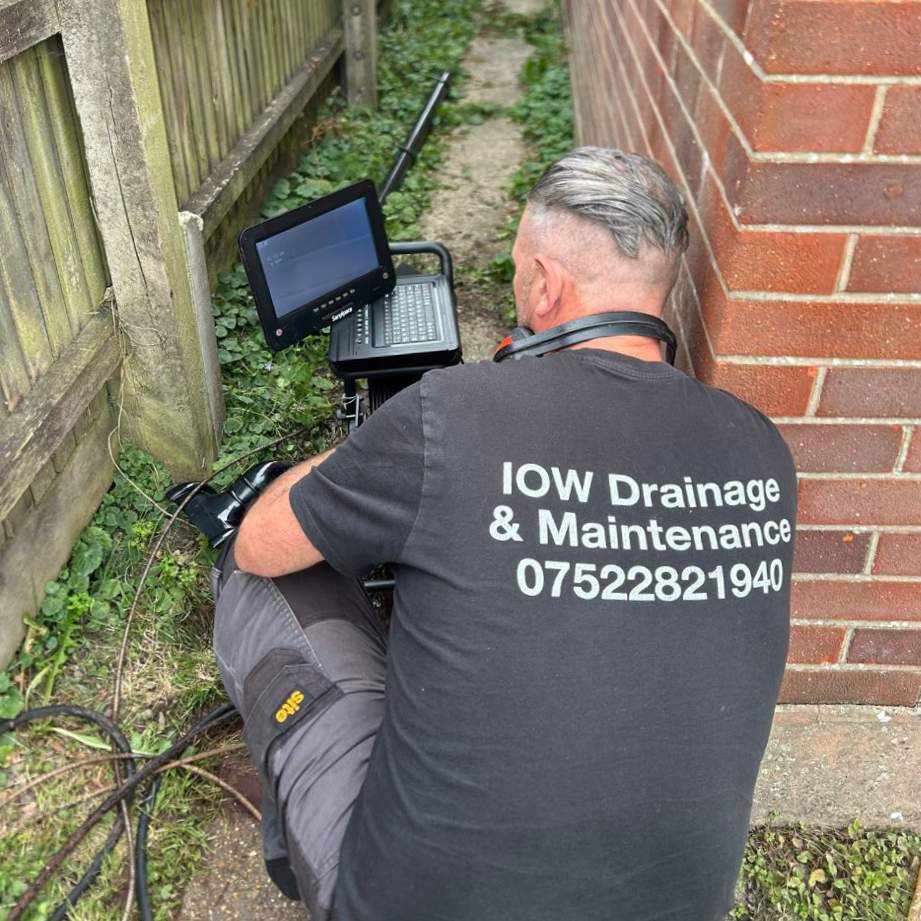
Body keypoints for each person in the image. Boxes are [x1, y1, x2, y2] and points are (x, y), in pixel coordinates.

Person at [212, 147, 797, 921]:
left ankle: (310, 856)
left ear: (547, 284)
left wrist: (368, 450)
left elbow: (263, 542)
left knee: (256, 573)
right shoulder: (761, 448)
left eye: (519, 269)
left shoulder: (448, 412)